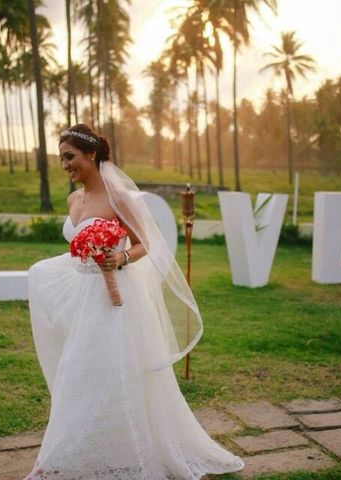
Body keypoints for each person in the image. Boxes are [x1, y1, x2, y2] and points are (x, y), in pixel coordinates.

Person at [23, 123, 244, 479]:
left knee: (113, 375)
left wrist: (120, 258)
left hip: (114, 304)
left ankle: (120, 454)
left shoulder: (117, 198)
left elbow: (146, 244)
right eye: (61, 159)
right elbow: (78, 250)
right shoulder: (73, 199)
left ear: (91, 154)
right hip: (83, 298)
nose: (65, 165)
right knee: (75, 373)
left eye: (70, 157)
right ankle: (66, 457)